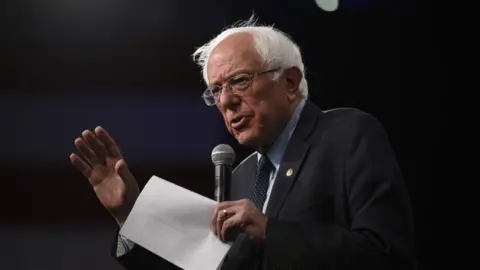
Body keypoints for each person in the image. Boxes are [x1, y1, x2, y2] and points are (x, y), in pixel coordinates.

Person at [70, 17, 417, 270]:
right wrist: (131, 213)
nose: (226, 101)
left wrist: (271, 233)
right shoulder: (242, 175)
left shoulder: (347, 135)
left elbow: (387, 256)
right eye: (216, 90)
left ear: (291, 82)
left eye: (239, 81)